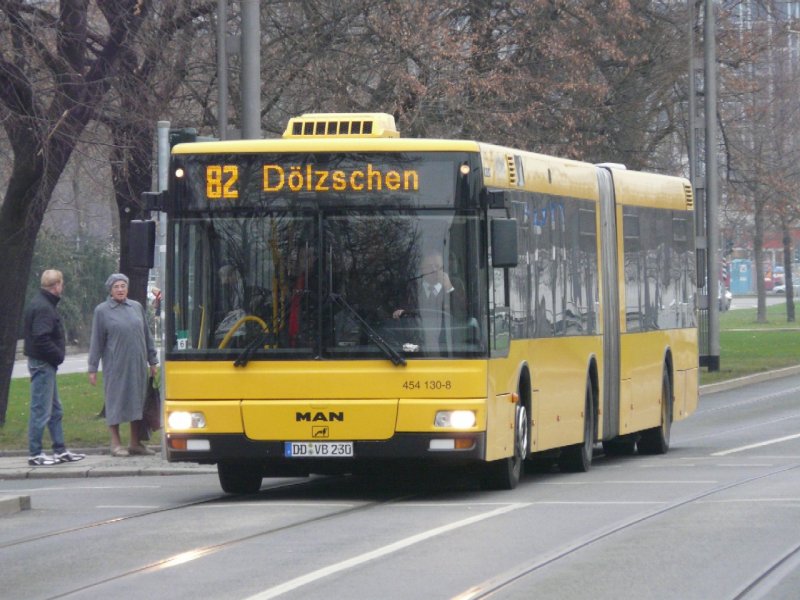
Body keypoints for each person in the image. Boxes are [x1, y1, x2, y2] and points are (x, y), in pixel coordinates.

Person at [88, 273, 159, 457]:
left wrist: (153, 360)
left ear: (127, 288)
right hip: (116, 367)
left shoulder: (136, 307)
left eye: (123, 286)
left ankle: (135, 443)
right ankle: (115, 444)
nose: (120, 289)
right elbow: (96, 341)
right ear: (110, 290)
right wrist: (92, 368)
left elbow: (146, 334)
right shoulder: (102, 311)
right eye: (116, 287)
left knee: (137, 403)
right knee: (116, 402)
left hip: (137, 366)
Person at [23, 269, 85, 466]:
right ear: (56, 285)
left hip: (44, 363)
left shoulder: (42, 303)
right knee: (41, 409)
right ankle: (35, 453)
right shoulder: (44, 307)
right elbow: (41, 337)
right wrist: (57, 355)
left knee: (55, 410)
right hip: (43, 363)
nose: (62, 287)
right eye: (61, 283)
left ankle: (59, 449)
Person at [392, 250, 466, 351]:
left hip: (448, 346)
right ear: (422, 270)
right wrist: (399, 313)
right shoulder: (411, 288)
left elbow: (462, 315)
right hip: (416, 346)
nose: (434, 270)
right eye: (430, 267)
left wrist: (449, 288)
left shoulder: (455, 285)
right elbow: (399, 314)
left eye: (438, 266)